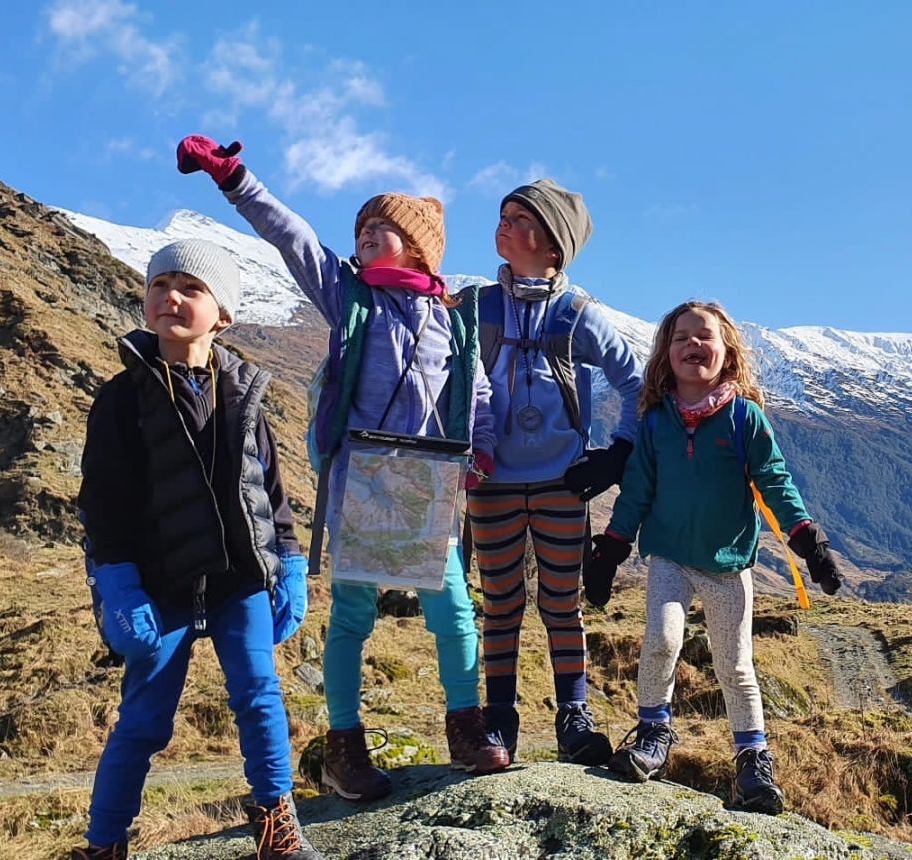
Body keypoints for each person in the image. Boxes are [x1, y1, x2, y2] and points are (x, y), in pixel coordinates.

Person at [176, 134, 508, 802]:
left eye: (380, 227)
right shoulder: (347, 296)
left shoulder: (453, 322)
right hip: (361, 477)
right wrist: (234, 177)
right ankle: (344, 746)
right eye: (360, 227)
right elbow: (291, 235)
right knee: (353, 617)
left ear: (417, 246)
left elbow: (477, 393)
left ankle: (467, 728)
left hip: (426, 480)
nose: (364, 235)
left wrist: (484, 447)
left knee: (453, 611)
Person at [74, 239, 321, 859]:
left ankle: (277, 826)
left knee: (260, 695)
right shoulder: (121, 397)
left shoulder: (245, 391)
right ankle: (103, 845)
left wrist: (288, 563)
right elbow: (103, 502)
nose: (171, 297)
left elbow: (272, 490)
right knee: (143, 722)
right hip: (158, 586)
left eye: (191, 288)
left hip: (240, 580)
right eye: (160, 285)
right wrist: (118, 584)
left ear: (224, 315)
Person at [591, 299, 844, 814]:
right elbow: (637, 489)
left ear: (726, 351)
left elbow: (774, 480)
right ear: (666, 353)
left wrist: (807, 540)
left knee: (735, 665)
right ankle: (653, 733)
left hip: (729, 563)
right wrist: (611, 548)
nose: (692, 344)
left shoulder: (744, 418)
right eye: (680, 337)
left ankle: (752, 761)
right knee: (661, 641)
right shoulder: (656, 422)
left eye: (704, 335)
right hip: (669, 557)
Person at [466, 179, 644, 766]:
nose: (505, 224)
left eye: (521, 219)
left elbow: (637, 385)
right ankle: (499, 717)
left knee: (561, 601)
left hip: (562, 482)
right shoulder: (475, 306)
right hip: (489, 480)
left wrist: (616, 453)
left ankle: (573, 714)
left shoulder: (577, 316)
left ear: (552, 246)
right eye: (504, 214)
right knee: (500, 602)